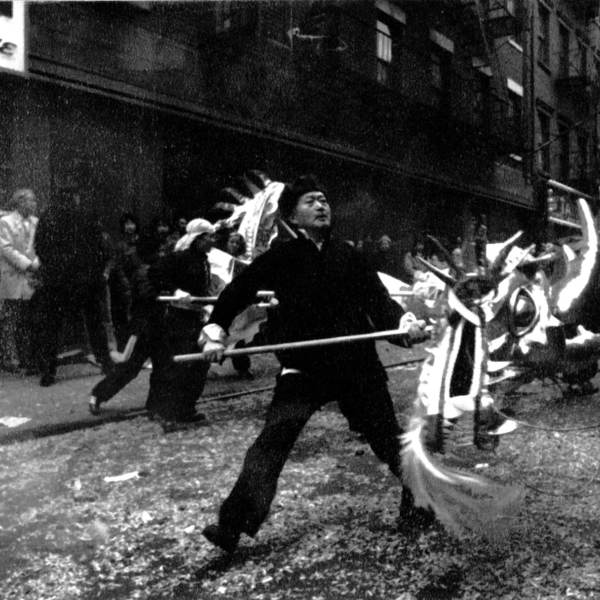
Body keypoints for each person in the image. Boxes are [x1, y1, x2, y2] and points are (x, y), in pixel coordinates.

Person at [199, 174, 431, 553]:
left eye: (324, 199)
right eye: (311, 201)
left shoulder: (349, 255)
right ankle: (231, 527)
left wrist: (404, 327)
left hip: (356, 367)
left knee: (388, 441)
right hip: (304, 369)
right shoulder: (281, 257)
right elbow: (238, 290)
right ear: (293, 214)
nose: (322, 205)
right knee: (270, 444)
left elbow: (378, 303)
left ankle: (421, 499)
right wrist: (215, 329)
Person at [89, 218, 216, 431]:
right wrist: (174, 294)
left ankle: (160, 408)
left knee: (165, 367)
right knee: (130, 367)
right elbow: (142, 295)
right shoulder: (153, 269)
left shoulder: (199, 261)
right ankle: (98, 395)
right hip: (146, 324)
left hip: (165, 323)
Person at [32, 186, 113, 387]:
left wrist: (52, 267)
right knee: (94, 323)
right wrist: (96, 271)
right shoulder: (86, 216)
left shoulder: (47, 217)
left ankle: (48, 371)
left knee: (52, 326)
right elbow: (100, 247)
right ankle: (105, 362)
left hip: (57, 280)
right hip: (85, 279)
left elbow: (40, 246)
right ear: (75, 198)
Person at [0, 188, 39, 373]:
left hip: (31, 276)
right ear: (20, 202)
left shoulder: (36, 222)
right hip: (13, 275)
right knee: (11, 319)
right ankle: (11, 357)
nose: (34, 204)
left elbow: (40, 245)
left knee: (29, 318)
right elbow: (6, 249)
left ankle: (28, 356)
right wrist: (26, 264)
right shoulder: (5, 222)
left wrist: (35, 264)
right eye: (30, 200)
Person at [109, 212, 140, 350]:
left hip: (140, 285)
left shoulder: (141, 243)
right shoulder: (119, 245)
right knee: (125, 320)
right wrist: (126, 286)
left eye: (132, 223)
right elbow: (118, 268)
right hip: (124, 288)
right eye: (127, 224)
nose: (130, 227)